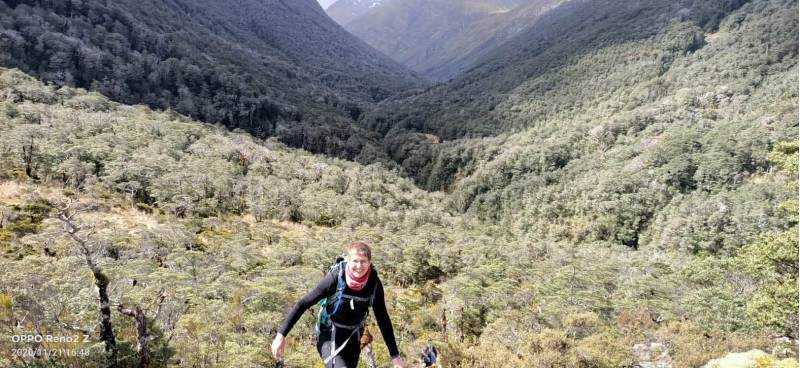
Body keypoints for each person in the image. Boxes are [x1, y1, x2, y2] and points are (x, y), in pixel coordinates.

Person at [271, 241, 405, 368]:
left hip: (353, 338)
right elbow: (303, 304)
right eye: (355, 261)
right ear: (348, 260)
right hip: (329, 334)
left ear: (369, 262)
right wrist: (281, 335)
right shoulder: (336, 277)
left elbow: (383, 319)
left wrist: (395, 356)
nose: (359, 266)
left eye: (363, 261)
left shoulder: (374, 284)